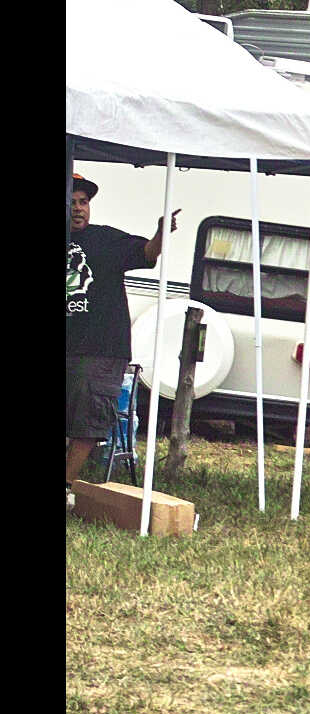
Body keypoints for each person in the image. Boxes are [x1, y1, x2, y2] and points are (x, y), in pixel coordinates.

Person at [66, 172, 174, 487]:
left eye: (83, 202)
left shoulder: (105, 240)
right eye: (71, 202)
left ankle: (67, 485)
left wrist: (160, 234)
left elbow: (147, 253)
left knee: (88, 422)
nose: (78, 208)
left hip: (101, 350)